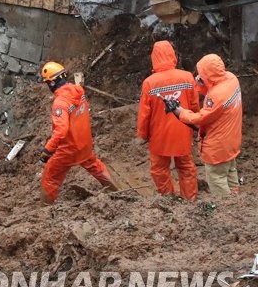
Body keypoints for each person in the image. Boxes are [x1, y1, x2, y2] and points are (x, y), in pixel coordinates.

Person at [38, 62, 117, 203]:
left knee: (50, 178)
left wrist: (47, 150)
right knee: (96, 167)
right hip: (85, 144)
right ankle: (116, 190)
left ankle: (45, 210)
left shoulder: (60, 103)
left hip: (68, 149)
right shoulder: (79, 92)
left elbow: (61, 131)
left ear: (51, 83)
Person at [168, 54, 243, 196]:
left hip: (218, 147)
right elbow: (212, 91)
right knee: (230, 170)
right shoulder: (231, 79)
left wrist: (180, 111)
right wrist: (201, 84)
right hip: (231, 141)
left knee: (217, 178)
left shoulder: (216, 95)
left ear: (208, 75)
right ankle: (235, 198)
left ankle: (227, 208)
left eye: (202, 73)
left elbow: (201, 118)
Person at [136, 41, 200, 200]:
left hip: (159, 135)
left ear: (154, 58)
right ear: (173, 55)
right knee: (186, 167)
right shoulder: (187, 77)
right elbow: (194, 106)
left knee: (159, 169)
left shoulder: (149, 83)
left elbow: (145, 114)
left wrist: (143, 135)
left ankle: (168, 199)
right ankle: (190, 200)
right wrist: (196, 125)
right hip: (183, 131)